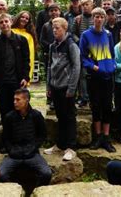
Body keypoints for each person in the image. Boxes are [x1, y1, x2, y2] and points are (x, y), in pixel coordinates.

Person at [80, 7, 116, 152]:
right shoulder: (86, 35)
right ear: (93, 18)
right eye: (96, 16)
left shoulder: (108, 34)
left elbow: (112, 54)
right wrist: (93, 67)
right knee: (96, 106)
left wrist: (112, 65)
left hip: (108, 76)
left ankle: (106, 138)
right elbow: (82, 57)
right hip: (94, 77)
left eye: (102, 16)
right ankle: (98, 136)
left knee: (107, 106)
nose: (99, 19)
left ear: (105, 18)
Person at [44, 18, 80, 160]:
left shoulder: (71, 45)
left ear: (65, 29)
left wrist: (71, 88)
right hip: (55, 86)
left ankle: (71, 147)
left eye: (57, 28)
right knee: (60, 117)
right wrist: (48, 85)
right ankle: (60, 145)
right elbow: (49, 66)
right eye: (53, 28)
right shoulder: (52, 46)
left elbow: (77, 67)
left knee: (69, 117)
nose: (54, 30)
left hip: (67, 87)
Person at [0, 89, 52, 187]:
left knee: (46, 174)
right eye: (14, 99)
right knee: (1, 174)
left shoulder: (36, 115)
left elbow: (42, 135)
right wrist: (11, 150)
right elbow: (5, 138)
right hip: (14, 155)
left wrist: (33, 147)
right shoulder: (9, 117)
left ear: (26, 100)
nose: (14, 102)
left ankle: (35, 192)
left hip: (32, 154)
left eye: (18, 100)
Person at [0, 13, 30, 121]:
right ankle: (7, 136)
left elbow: (26, 61)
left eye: (6, 21)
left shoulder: (21, 40)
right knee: (5, 112)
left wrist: (25, 77)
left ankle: (20, 135)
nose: (4, 24)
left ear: (11, 22)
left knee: (20, 110)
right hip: (1, 83)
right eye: (1, 22)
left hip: (17, 81)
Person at [71, 0, 94, 108]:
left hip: (95, 51)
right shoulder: (78, 19)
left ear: (92, 5)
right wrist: (79, 41)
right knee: (83, 75)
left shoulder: (96, 18)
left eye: (87, 4)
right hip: (82, 51)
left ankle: (93, 97)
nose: (85, 6)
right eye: (83, 4)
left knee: (94, 74)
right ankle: (84, 98)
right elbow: (72, 33)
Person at [12, 11, 38, 83]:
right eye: (22, 17)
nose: (24, 19)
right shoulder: (10, 31)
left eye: (27, 18)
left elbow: (30, 57)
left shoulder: (29, 36)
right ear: (18, 17)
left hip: (22, 70)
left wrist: (28, 76)